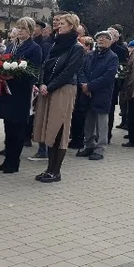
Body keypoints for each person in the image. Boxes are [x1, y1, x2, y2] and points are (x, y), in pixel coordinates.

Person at [32, 13, 85, 181]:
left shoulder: (76, 47)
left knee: (60, 128)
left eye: (63, 23)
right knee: (49, 128)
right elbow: (44, 65)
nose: (58, 25)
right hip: (48, 89)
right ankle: (49, 169)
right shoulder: (56, 44)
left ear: (71, 26)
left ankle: (56, 171)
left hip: (63, 89)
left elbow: (69, 71)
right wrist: (41, 83)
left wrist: (50, 86)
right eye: (58, 23)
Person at [0, 17, 42, 174]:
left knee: (18, 128)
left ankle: (14, 162)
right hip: (8, 90)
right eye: (18, 27)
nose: (20, 31)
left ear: (30, 30)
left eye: (23, 28)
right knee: (8, 127)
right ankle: (8, 158)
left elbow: (34, 71)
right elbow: (3, 60)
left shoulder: (34, 48)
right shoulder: (11, 45)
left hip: (21, 92)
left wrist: (15, 75)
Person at [76, 30, 119, 161]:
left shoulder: (113, 57)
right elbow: (81, 70)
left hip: (102, 94)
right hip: (87, 93)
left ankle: (100, 148)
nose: (101, 40)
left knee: (102, 123)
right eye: (99, 37)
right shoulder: (89, 55)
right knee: (89, 120)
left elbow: (108, 76)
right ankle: (88, 145)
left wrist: (90, 86)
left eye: (105, 38)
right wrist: (84, 84)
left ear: (110, 41)